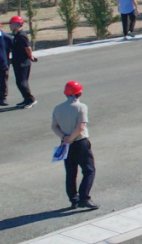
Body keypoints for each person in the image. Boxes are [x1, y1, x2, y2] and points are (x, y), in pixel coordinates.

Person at [52, 80, 97, 209]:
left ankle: (73, 199)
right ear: (79, 93)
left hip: (65, 143)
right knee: (89, 170)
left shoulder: (58, 108)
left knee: (71, 172)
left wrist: (65, 138)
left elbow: (54, 126)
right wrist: (71, 138)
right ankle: (84, 198)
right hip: (80, 142)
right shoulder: (81, 107)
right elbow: (80, 127)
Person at [9, 16, 37, 108]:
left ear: (17, 25)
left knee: (22, 81)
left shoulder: (21, 35)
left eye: (12, 24)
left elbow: (27, 47)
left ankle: (31, 100)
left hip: (23, 62)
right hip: (17, 62)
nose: (10, 26)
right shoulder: (16, 35)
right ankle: (26, 99)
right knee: (19, 82)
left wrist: (30, 56)